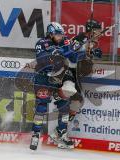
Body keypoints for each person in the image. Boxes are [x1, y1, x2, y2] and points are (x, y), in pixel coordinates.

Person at [30, 22, 79, 150]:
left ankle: (61, 135)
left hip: (58, 78)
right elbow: (42, 59)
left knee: (64, 104)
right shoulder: (41, 43)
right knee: (42, 106)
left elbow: (73, 59)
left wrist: (74, 49)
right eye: (58, 35)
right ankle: (35, 134)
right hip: (43, 78)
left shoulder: (64, 42)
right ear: (50, 34)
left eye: (61, 35)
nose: (60, 37)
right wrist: (57, 52)